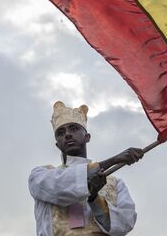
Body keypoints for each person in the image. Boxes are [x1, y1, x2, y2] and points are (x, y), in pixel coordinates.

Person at [29, 101, 144, 236]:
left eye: (74, 128)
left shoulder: (115, 183)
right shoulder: (41, 175)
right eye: (61, 132)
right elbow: (61, 185)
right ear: (57, 144)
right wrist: (113, 160)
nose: (67, 134)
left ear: (87, 137)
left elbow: (125, 223)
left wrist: (95, 198)